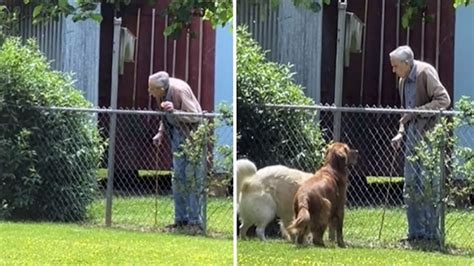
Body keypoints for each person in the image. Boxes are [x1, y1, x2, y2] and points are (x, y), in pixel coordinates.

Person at [389, 45, 451, 245]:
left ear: (407, 64)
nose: (393, 70)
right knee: (410, 184)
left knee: (428, 184)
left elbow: (444, 100)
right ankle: (415, 233)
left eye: (396, 66)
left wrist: (417, 112)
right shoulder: (402, 81)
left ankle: (431, 235)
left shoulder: (425, 72)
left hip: (429, 137)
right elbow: (405, 114)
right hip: (411, 138)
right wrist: (400, 133)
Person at [148, 71, 204, 234]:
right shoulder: (161, 92)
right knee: (178, 178)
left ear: (161, 88)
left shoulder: (179, 91)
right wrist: (160, 131)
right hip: (176, 135)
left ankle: (195, 222)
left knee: (192, 178)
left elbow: (196, 116)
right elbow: (165, 115)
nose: (149, 92)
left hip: (191, 137)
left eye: (151, 89)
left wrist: (175, 112)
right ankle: (181, 220)